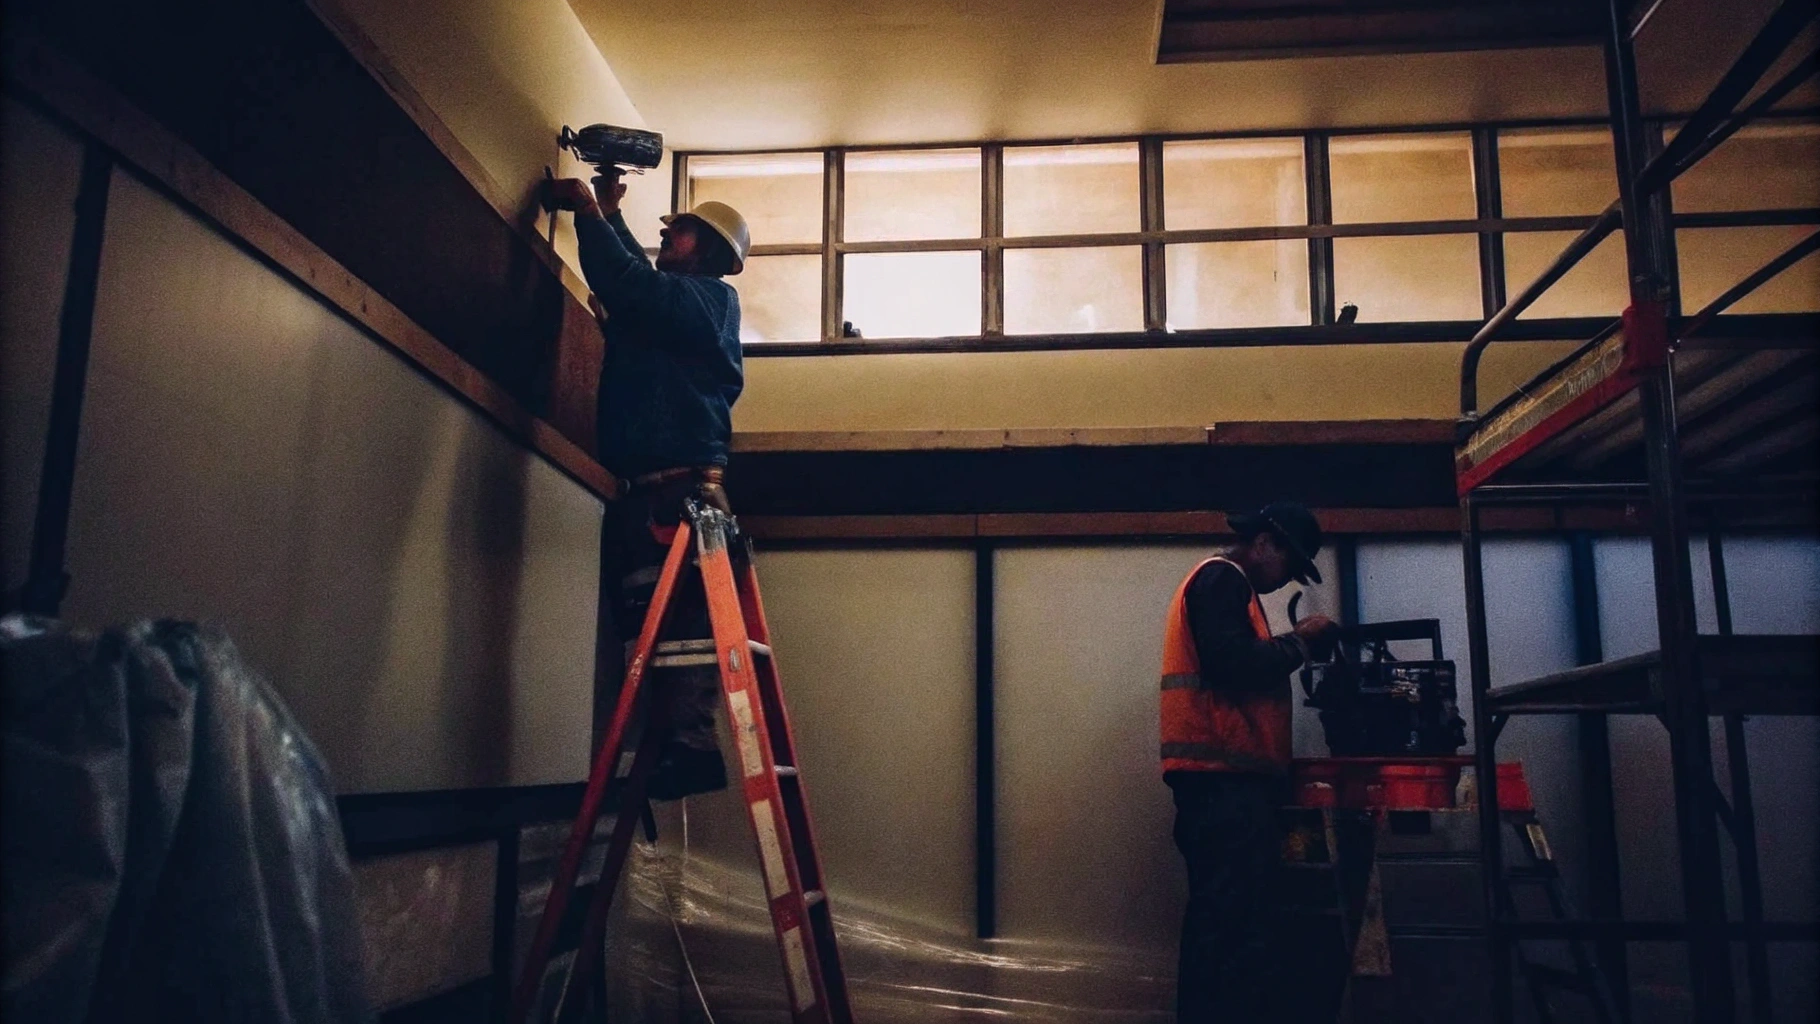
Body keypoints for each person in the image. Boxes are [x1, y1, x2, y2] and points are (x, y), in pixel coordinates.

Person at [546, 171, 751, 800]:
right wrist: (607, 215)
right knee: (649, 624)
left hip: (683, 496)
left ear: (711, 249)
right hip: (651, 495)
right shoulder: (675, 305)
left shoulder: (710, 301)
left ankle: (689, 750)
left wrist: (585, 209)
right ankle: (671, 747)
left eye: (681, 230)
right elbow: (641, 276)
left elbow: (631, 284)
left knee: (684, 629)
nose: (670, 234)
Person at [1158, 501, 1341, 1023]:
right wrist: (1300, 643)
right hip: (1223, 790)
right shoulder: (1222, 580)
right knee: (1228, 931)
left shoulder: (1227, 587)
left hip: (1225, 790)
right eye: (1289, 563)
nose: (1284, 580)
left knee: (1228, 927)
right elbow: (1233, 665)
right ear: (1265, 543)